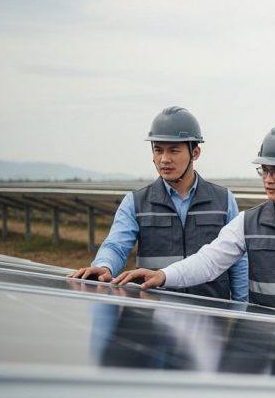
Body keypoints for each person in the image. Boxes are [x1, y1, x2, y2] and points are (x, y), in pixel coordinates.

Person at [114, 123, 275, 319]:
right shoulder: (248, 222)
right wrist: (163, 276)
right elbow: (209, 261)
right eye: (264, 170)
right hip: (265, 344)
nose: (268, 179)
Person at [68, 106, 248, 301]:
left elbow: (238, 261)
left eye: (174, 150)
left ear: (195, 153)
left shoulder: (223, 200)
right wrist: (104, 266)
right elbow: (116, 246)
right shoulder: (135, 202)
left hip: (209, 314)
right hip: (154, 314)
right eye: (158, 150)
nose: (164, 159)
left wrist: (242, 309)